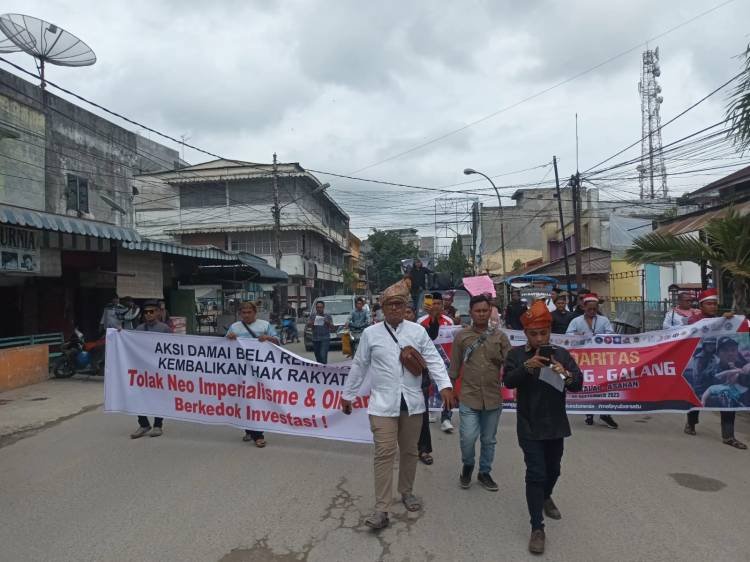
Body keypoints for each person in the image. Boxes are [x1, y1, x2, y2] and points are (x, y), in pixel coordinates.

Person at [341, 279, 455, 530]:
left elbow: (434, 360)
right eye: (390, 305)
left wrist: (444, 385)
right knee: (383, 453)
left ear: (405, 307)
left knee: (410, 451)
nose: (394, 309)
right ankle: (381, 508)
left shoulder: (417, 332)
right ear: (382, 308)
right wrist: (347, 395)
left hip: (413, 403)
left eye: (399, 304)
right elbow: (359, 366)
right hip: (382, 404)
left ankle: (406, 491)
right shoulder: (371, 334)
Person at [504, 300, 584, 555]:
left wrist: (564, 373)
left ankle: (545, 495)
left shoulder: (561, 355)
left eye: (544, 333)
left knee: (554, 470)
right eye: (534, 333)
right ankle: (537, 527)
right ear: (525, 333)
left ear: (550, 332)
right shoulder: (516, 355)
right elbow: (508, 381)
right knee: (535, 472)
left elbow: (576, 385)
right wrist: (528, 366)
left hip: (556, 423)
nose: (539, 338)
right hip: (529, 424)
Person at [450, 294, 511, 492]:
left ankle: (484, 472)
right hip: (469, 396)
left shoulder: (500, 336)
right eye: (478, 311)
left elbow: (511, 364)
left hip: (493, 397)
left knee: (489, 439)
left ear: (490, 311)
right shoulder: (462, 337)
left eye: (485, 310)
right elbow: (454, 367)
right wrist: (450, 392)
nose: (482, 314)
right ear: (471, 313)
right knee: (467, 438)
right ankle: (468, 465)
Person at [684, 288, 743, 447]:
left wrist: (729, 320)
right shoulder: (694, 320)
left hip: (716, 365)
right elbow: (702, 328)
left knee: (727, 396)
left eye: (715, 304)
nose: (713, 306)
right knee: (696, 397)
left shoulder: (722, 320)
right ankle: (691, 422)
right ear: (701, 305)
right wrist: (721, 320)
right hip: (700, 366)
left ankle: (728, 436)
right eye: (709, 304)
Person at [226, 300, 279, 448]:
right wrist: (229, 338)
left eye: (249, 312)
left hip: (259, 371)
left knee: (256, 400)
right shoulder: (234, 327)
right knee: (244, 401)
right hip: (241, 371)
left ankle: (258, 435)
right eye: (244, 312)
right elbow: (224, 346)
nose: (246, 315)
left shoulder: (265, 325)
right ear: (240, 313)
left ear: (255, 313)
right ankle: (249, 429)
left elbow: (278, 342)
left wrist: (268, 338)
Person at [566, 294, 618, 429]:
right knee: (588, 384)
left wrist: (601, 337)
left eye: (595, 309)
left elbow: (611, 335)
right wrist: (577, 336)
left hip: (601, 359)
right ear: (584, 308)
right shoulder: (576, 321)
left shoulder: (604, 320)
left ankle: (605, 413)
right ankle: (589, 412)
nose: (592, 312)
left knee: (603, 384)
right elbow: (567, 335)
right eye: (589, 309)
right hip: (583, 359)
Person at [130, 300, 172, 439]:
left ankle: (158, 425)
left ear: (159, 312)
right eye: (146, 312)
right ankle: (143, 424)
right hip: (142, 370)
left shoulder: (164, 329)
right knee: (138, 396)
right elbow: (130, 344)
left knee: (158, 397)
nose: (148, 314)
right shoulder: (139, 329)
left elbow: (172, 348)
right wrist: (119, 334)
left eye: (152, 311)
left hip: (158, 369)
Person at [418, 292, 456, 433]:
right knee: (429, 389)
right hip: (427, 362)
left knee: (446, 389)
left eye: (438, 303)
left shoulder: (449, 321)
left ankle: (446, 418)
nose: (436, 306)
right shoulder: (421, 321)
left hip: (445, 361)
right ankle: (429, 411)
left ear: (442, 305)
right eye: (433, 303)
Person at [405, 304, 434, 465]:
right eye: (405, 312)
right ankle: (406, 449)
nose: (406, 315)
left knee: (422, 416)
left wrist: (434, 318)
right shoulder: (391, 331)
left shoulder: (421, 331)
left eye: (409, 312)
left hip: (419, 380)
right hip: (398, 383)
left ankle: (423, 450)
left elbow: (434, 334)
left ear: (414, 314)